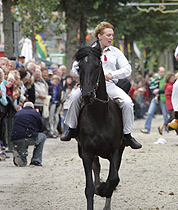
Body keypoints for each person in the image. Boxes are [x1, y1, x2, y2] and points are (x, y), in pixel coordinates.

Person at [60, 21, 141, 149]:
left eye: (112, 35)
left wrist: (112, 74)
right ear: (99, 36)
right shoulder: (88, 52)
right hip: (89, 86)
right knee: (74, 97)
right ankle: (72, 128)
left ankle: (127, 135)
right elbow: (75, 69)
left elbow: (127, 69)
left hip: (109, 85)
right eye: (108, 35)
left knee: (127, 102)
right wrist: (84, 79)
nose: (111, 38)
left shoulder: (115, 52)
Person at [11, 102, 46, 166]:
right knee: (43, 136)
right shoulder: (35, 113)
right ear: (33, 107)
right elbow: (42, 128)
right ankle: (36, 159)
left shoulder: (18, 113)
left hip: (16, 137)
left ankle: (20, 157)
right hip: (29, 136)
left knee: (22, 152)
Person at [140, 67, 168, 134]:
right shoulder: (154, 79)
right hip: (155, 98)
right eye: (161, 72)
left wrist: (159, 91)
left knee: (165, 114)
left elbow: (167, 89)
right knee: (150, 113)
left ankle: (166, 129)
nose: (163, 73)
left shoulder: (166, 79)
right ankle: (147, 128)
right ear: (158, 72)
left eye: (163, 72)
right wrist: (153, 91)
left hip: (162, 98)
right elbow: (151, 88)